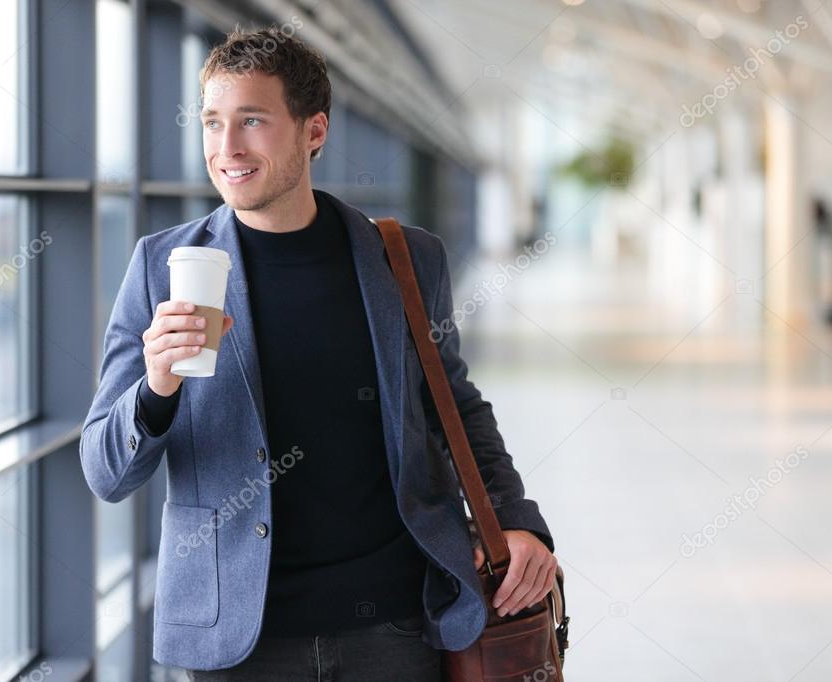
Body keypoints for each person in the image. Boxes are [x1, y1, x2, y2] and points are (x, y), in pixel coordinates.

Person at [79, 25, 556, 681]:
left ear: (314, 132)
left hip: (390, 626)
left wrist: (517, 520)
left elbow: (454, 406)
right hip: (238, 637)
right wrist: (156, 387)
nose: (226, 148)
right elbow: (106, 471)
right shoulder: (161, 266)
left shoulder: (405, 259)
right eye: (212, 122)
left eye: (253, 121)